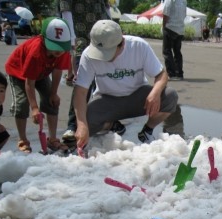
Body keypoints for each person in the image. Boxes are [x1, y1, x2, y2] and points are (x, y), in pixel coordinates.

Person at [72, 20, 178, 149]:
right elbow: (80, 91)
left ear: (121, 43)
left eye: (108, 53)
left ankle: (147, 130)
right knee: (84, 121)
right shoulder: (88, 55)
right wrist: (82, 125)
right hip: (107, 100)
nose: (104, 58)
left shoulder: (139, 46)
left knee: (170, 96)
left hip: (138, 97)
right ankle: (112, 125)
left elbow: (161, 75)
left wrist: (155, 93)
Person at [5, 17, 72, 153]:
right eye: (54, 47)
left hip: (42, 72)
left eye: (61, 47)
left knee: (52, 101)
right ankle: (23, 140)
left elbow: (58, 71)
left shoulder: (63, 52)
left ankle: (52, 139)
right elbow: (29, 83)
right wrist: (35, 108)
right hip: (19, 73)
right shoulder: (36, 52)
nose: (58, 51)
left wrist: (53, 93)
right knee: (22, 103)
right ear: (43, 39)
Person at [58, 0, 110, 144]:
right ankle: (73, 125)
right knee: (83, 83)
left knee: (105, 79)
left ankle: (108, 119)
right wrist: (71, 39)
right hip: (81, 37)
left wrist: (113, 31)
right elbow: (66, 11)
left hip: (102, 38)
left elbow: (106, 9)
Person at [162, 0, 187, 81]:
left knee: (167, 51)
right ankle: (179, 73)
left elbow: (166, 13)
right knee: (177, 52)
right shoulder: (184, 1)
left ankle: (172, 73)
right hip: (180, 28)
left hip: (170, 27)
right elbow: (184, 14)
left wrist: (163, 26)